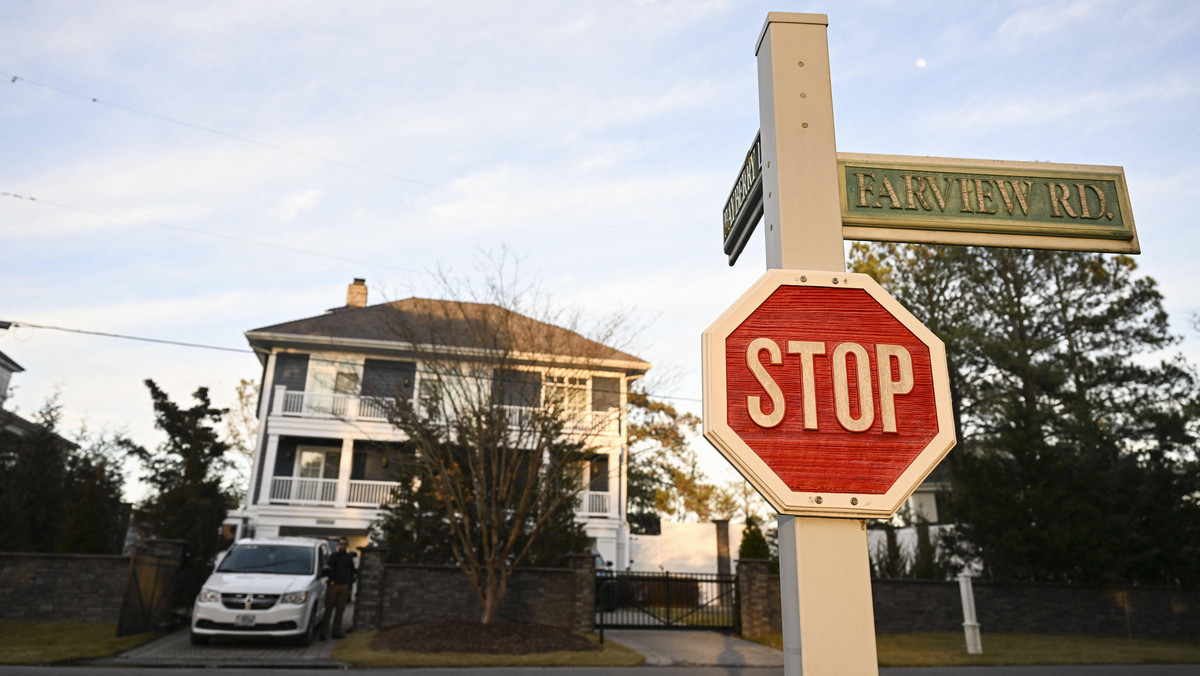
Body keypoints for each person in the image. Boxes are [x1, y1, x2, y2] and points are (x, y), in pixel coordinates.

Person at [321, 537, 357, 639]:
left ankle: (336, 631)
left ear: (347, 546)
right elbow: (329, 566)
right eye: (341, 544)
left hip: (344, 585)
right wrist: (337, 554)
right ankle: (323, 631)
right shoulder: (334, 556)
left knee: (340, 610)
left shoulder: (348, 557)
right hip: (333, 585)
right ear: (338, 545)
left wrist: (350, 583)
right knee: (329, 609)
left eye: (344, 544)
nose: (342, 546)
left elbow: (352, 570)